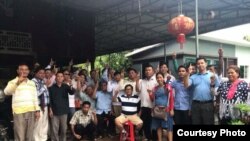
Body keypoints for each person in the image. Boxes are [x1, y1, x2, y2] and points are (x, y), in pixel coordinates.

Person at [4, 63, 40, 141]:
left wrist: (37, 110)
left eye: (26, 69)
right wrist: (18, 82)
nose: (24, 71)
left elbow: (35, 97)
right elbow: (7, 92)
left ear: (28, 71)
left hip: (31, 111)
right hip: (19, 112)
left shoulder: (32, 83)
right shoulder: (12, 82)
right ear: (18, 71)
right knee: (20, 135)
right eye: (21, 69)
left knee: (30, 135)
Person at [184, 57, 219, 125]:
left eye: (202, 63)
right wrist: (187, 73)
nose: (200, 65)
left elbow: (217, 91)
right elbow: (186, 85)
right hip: (195, 105)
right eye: (198, 63)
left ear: (206, 64)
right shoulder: (193, 77)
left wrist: (216, 102)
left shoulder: (213, 76)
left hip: (208, 104)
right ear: (196, 66)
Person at [49, 71, 75, 141]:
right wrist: (50, 109)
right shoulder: (51, 88)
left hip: (64, 111)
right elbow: (50, 100)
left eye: (61, 76)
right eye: (58, 76)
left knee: (64, 129)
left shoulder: (66, 86)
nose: (59, 78)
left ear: (63, 78)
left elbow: (72, 92)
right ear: (55, 78)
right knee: (55, 129)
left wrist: (71, 85)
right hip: (54, 111)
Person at [149, 72, 174, 141]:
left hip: (166, 110)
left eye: (160, 77)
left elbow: (171, 98)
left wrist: (171, 109)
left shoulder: (167, 87)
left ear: (163, 78)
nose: (159, 79)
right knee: (158, 127)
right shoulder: (155, 88)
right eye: (157, 77)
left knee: (169, 127)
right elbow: (152, 99)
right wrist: (150, 94)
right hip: (157, 110)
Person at [32, 67, 50, 141]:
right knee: (37, 124)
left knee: (44, 124)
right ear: (36, 73)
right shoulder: (33, 82)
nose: (42, 74)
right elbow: (35, 94)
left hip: (45, 106)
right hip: (38, 106)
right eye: (40, 73)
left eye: (43, 73)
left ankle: (43, 139)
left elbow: (47, 95)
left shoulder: (42, 81)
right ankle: (36, 139)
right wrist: (45, 86)